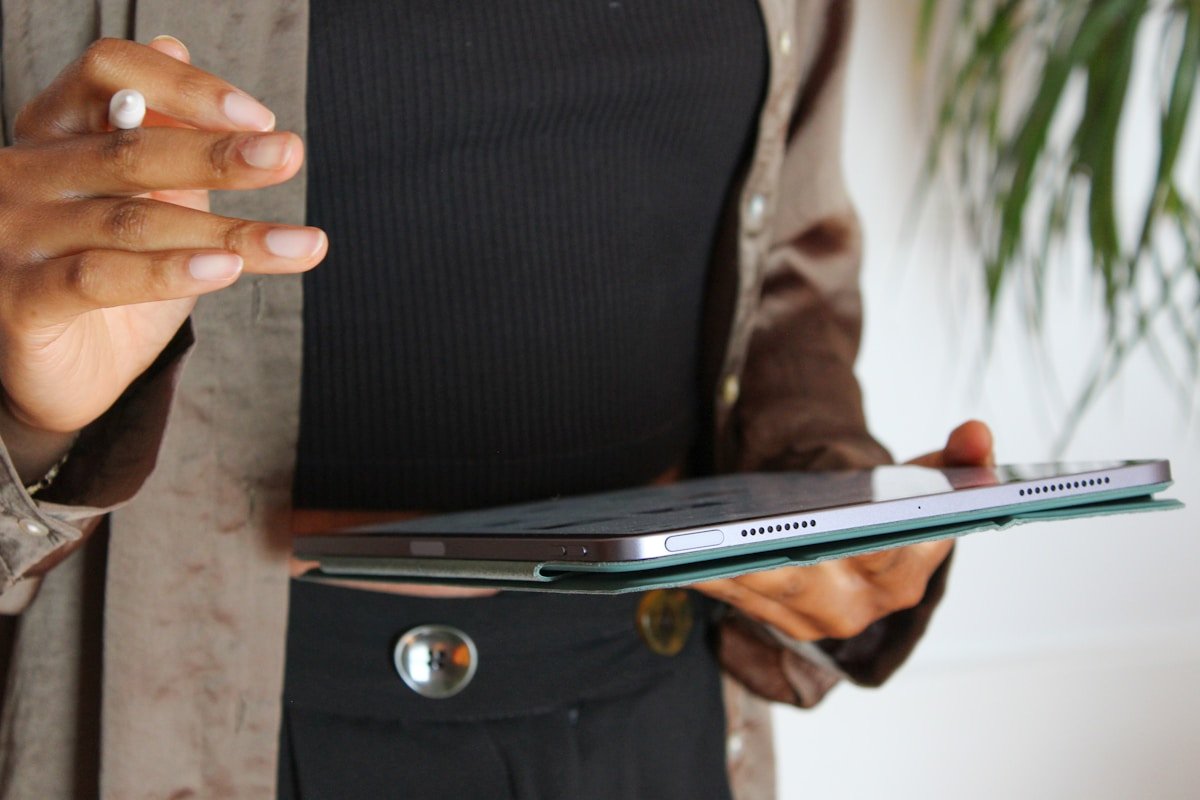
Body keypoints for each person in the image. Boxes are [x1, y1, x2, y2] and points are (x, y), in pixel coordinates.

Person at [0, 2, 994, 798]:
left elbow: (781, 258)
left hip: (655, 712)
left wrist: (825, 503)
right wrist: (31, 419)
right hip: (214, 732)